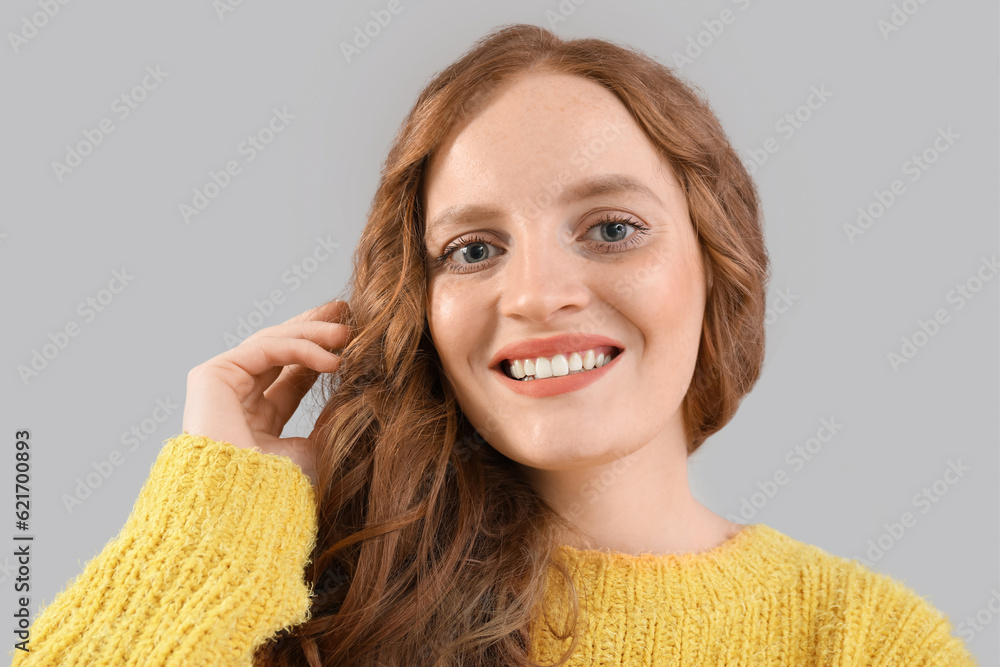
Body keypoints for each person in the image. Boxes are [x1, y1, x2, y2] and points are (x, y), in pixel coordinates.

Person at [11, 23, 978, 667]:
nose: (537, 294)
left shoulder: (863, 640)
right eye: (473, 249)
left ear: (717, 262)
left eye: (611, 228)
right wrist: (207, 527)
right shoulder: (310, 624)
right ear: (423, 306)